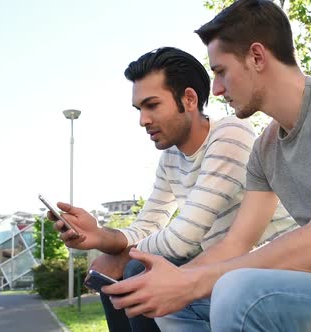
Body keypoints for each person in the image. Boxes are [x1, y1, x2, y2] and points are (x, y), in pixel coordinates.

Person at [102, 1, 311, 331]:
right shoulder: (265, 149)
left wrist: (192, 282)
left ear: (256, 56)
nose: (217, 89)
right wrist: (174, 284)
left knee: (239, 292)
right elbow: (234, 246)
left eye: (221, 72)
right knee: (174, 299)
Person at [51, 47, 295, 332]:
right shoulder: (170, 159)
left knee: (136, 272)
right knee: (124, 277)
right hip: (225, 270)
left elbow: (184, 237)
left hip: (273, 270)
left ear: (189, 99)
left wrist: (119, 254)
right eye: (139, 109)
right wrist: (100, 237)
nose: (143, 120)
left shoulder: (231, 133)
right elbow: (149, 226)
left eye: (152, 105)